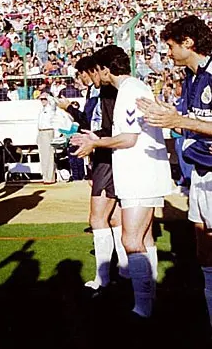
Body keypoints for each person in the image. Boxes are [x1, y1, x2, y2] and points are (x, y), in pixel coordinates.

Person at [73, 45, 173, 319]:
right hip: (141, 173)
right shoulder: (133, 88)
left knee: (131, 239)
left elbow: (128, 138)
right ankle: (148, 299)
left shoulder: (128, 91)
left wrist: (94, 142)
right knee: (144, 237)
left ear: (105, 69)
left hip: (139, 173)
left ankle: (142, 307)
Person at [136, 16, 212, 331]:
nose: (167, 52)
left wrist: (180, 121)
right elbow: (192, 120)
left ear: (188, 42)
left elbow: (196, 123)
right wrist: (171, 116)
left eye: (170, 45)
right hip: (201, 172)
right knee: (203, 245)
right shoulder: (191, 77)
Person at [60, 55, 129, 293]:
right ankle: (124, 270)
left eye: (83, 74)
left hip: (106, 155)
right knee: (114, 216)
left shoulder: (108, 92)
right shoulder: (95, 93)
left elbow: (111, 127)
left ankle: (103, 278)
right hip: (103, 154)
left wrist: (92, 138)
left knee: (98, 217)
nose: (82, 79)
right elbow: (91, 123)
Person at [37, 91, 57, 184]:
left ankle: (50, 178)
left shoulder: (51, 108)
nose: (43, 101)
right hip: (41, 132)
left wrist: (47, 96)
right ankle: (45, 176)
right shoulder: (42, 109)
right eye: (42, 99)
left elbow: (53, 101)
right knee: (43, 155)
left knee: (49, 155)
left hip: (48, 131)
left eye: (44, 99)